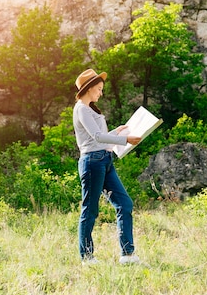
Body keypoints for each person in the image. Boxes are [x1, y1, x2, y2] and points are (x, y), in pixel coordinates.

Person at [73, 69, 142, 265]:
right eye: (99, 89)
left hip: (105, 159)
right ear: (89, 88)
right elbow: (96, 138)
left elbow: (98, 137)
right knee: (90, 209)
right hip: (92, 162)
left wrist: (116, 131)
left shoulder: (90, 108)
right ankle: (87, 257)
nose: (101, 93)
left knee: (125, 204)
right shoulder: (81, 109)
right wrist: (124, 138)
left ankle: (127, 255)